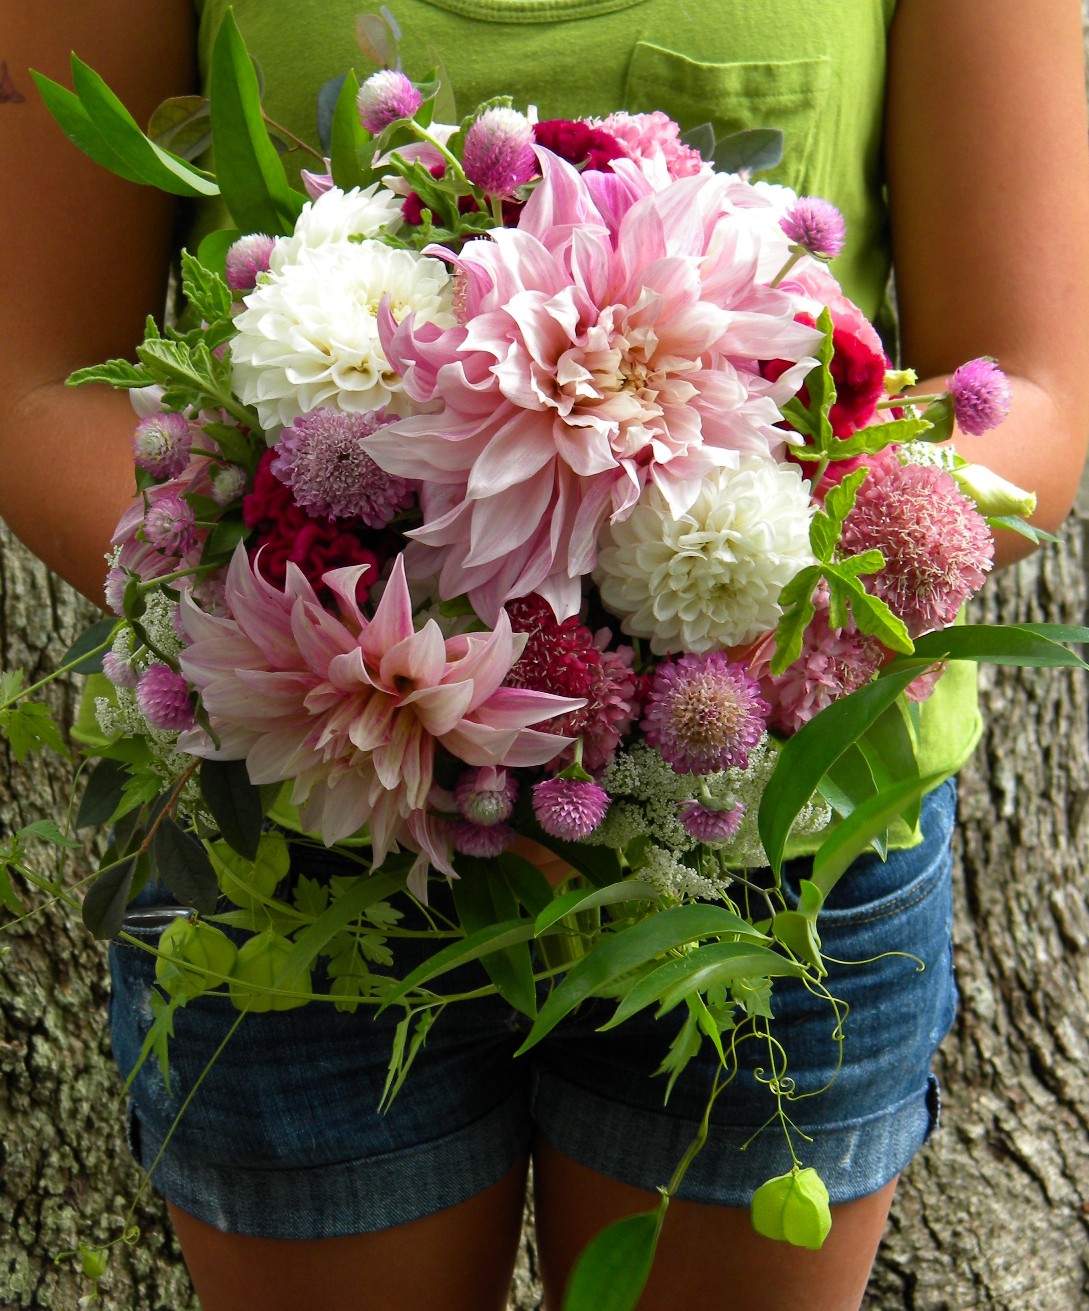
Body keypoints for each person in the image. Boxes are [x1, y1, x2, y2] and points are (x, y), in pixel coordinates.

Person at [2, 2, 1087, 1309]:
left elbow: (1027, 389)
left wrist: (767, 607)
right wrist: (316, 655)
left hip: (776, 846)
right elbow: (36, 378)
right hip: (303, 815)